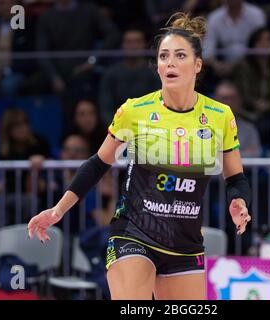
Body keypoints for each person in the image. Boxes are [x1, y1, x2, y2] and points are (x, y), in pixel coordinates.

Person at [28, 12, 252, 300]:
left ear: (197, 65)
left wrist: (239, 200)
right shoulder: (135, 111)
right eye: (163, 56)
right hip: (134, 234)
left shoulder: (220, 116)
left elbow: (235, 177)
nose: (170, 62)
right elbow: (97, 165)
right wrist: (57, 211)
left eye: (180, 56)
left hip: (185, 243)